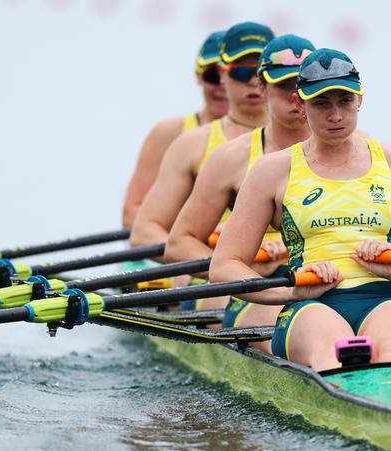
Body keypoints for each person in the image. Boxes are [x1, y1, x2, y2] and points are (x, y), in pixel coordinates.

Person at [209, 48, 391, 371]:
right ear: (300, 105)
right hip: (310, 305)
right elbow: (224, 267)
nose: (335, 115)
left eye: (344, 101)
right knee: (332, 356)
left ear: (360, 99)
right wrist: (291, 289)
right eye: (321, 103)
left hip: (386, 298)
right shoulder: (272, 172)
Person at [164, 34, 315, 348]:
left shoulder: (364, 153)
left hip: (330, 283)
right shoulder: (231, 156)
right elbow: (179, 244)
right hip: (256, 288)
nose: (296, 96)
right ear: (264, 88)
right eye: (284, 86)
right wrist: (241, 268)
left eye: (304, 85)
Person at [129, 21, 274, 250]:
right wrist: (200, 246)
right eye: (240, 71)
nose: (252, 81)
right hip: (211, 263)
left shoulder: (313, 137)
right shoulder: (183, 139)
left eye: (259, 72)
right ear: (219, 74)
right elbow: (138, 223)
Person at [122, 31, 228, 228]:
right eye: (214, 75)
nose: (223, 85)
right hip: (194, 250)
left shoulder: (278, 133)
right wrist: (197, 237)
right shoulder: (168, 133)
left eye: (237, 75)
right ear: (198, 76)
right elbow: (131, 214)